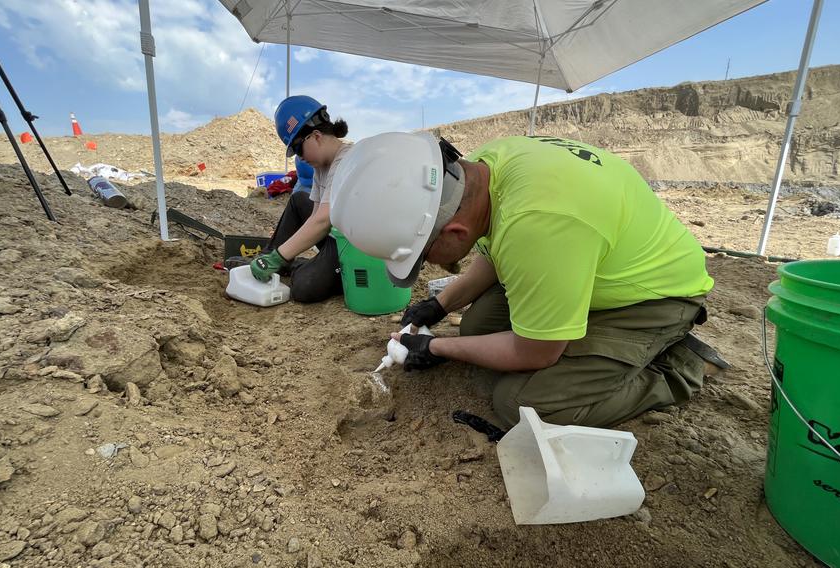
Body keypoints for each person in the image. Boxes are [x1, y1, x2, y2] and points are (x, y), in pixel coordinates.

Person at [329, 132, 729, 428]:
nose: (429, 266)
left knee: (521, 403)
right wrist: (440, 305)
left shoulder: (537, 226)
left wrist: (439, 348)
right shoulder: (481, 169)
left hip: (651, 296)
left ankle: (679, 367)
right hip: (584, 262)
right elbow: (493, 251)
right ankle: (590, 341)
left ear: (453, 235)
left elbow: (536, 352)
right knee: (477, 327)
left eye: (424, 257)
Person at [249, 96, 351, 303]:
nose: (299, 157)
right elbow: (314, 215)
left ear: (316, 136)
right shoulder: (321, 166)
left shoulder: (347, 160)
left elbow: (323, 222)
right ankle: (269, 259)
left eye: (297, 148)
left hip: (352, 245)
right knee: (298, 200)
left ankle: (289, 264)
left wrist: (280, 256)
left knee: (304, 287)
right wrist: (277, 254)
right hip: (337, 234)